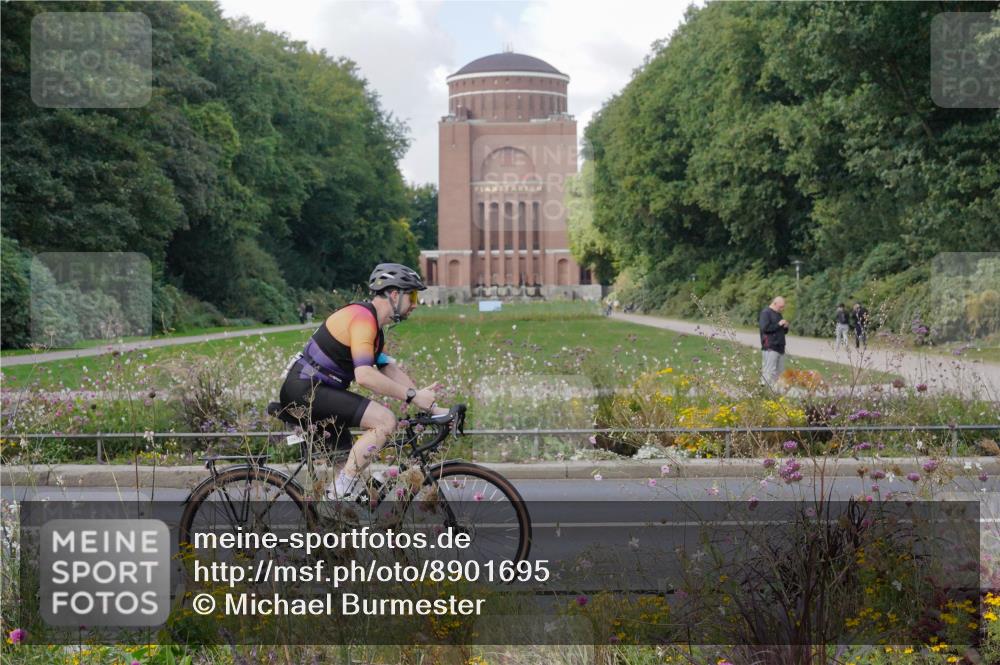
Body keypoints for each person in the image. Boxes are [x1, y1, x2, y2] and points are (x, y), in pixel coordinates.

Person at [278, 263, 448, 501]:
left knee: (353, 485)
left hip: (318, 391)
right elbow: (365, 375)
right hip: (306, 390)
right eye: (412, 296)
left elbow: (387, 368)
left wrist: (432, 406)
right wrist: (412, 396)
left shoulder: (374, 327)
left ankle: (335, 509)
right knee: (385, 420)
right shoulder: (362, 318)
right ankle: (336, 495)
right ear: (395, 295)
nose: (415, 304)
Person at [759, 296, 790, 388]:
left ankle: (776, 391)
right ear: (774, 303)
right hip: (770, 346)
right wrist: (779, 324)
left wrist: (785, 327)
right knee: (769, 371)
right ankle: (764, 389)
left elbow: (782, 331)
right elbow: (765, 329)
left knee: (780, 372)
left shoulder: (779, 314)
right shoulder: (766, 313)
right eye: (781, 307)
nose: (782, 309)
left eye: (783, 307)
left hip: (780, 346)